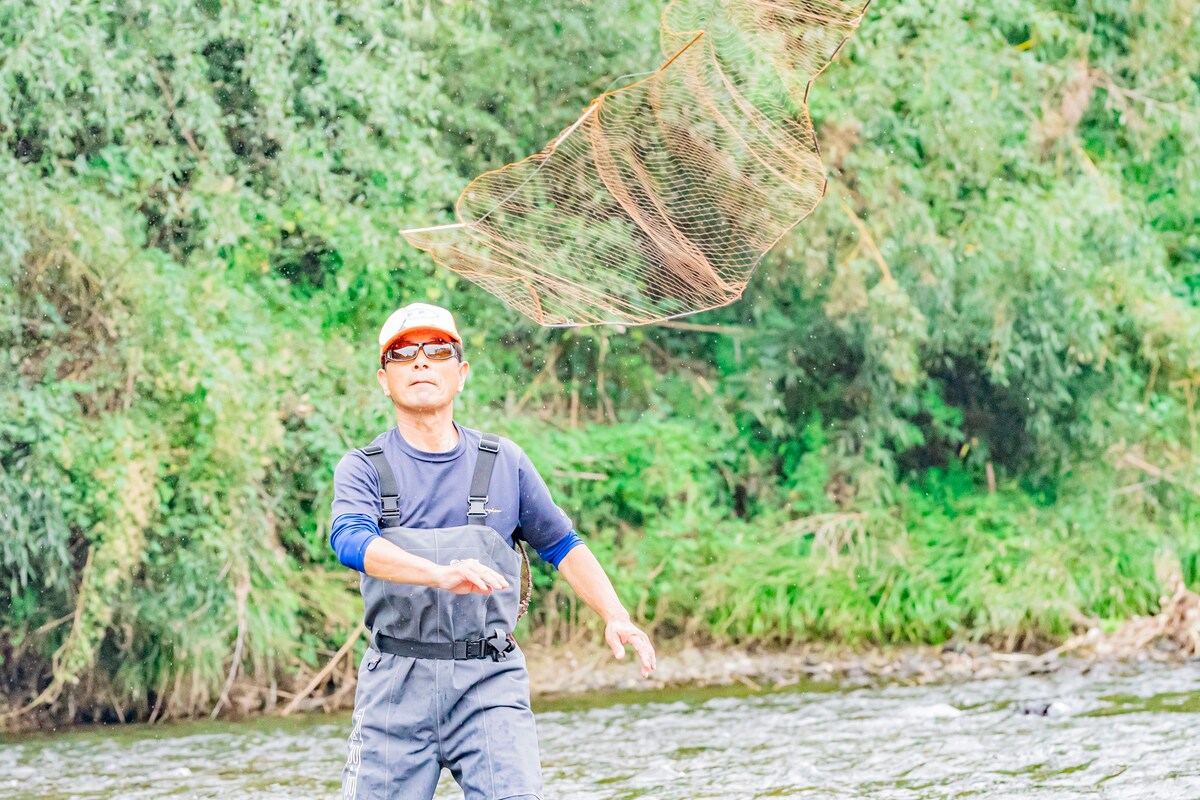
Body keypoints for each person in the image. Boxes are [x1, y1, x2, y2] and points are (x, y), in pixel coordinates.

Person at [329, 302, 657, 800]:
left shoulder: (505, 462)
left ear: (460, 374)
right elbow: (350, 541)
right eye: (402, 353)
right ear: (383, 378)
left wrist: (614, 613)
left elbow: (562, 543)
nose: (420, 361)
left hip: (488, 681)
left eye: (437, 350)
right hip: (395, 685)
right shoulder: (363, 468)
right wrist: (438, 574)